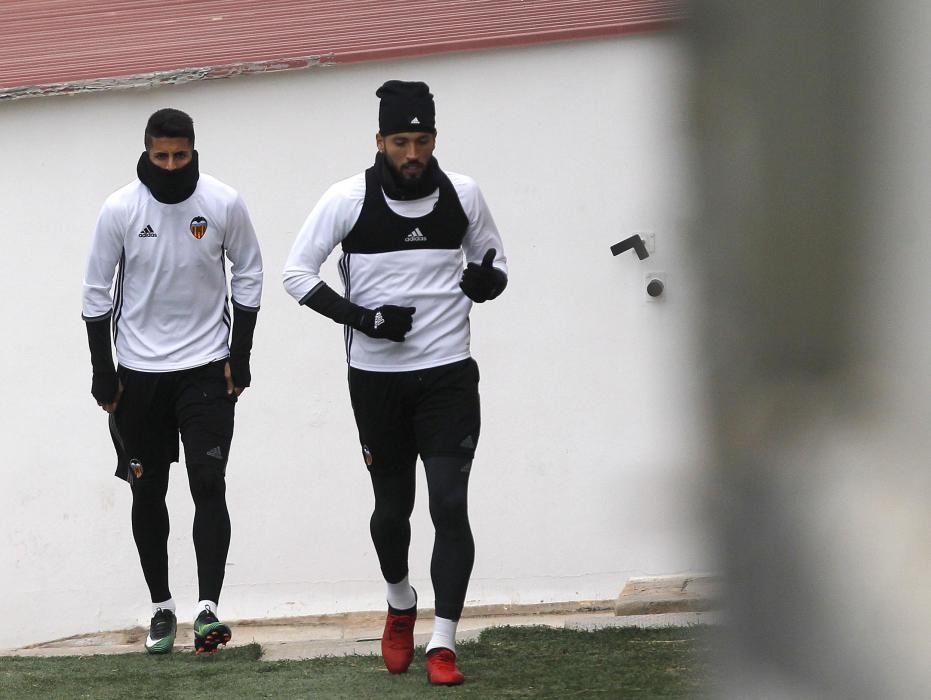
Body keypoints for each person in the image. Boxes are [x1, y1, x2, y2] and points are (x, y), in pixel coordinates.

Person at [283, 80, 507, 686]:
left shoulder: (463, 194)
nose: (413, 153)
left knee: (450, 504)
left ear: (435, 140)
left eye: (423, 141)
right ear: (380, 141)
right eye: (401, 141)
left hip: (448, 377)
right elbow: (296, 275)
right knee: (392, 510)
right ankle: (401, 602)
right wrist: (366, 320)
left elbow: (494, 262)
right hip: (377, 380)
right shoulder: (347, 198)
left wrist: (487, 284)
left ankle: (444, 643)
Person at [81, 108, 263, 655]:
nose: (169, 165)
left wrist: (241, 356)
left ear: (193, 151)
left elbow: (249, 273)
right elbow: (95, 292)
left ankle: (208, 610)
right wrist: (102, 371)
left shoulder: (223, 202)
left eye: (179, 156)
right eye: (160, 156)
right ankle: (162, 608)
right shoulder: (120, 208)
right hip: (138, 377)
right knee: (148, 490)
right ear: (147, 152)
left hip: (206, 369)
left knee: (209, 483)